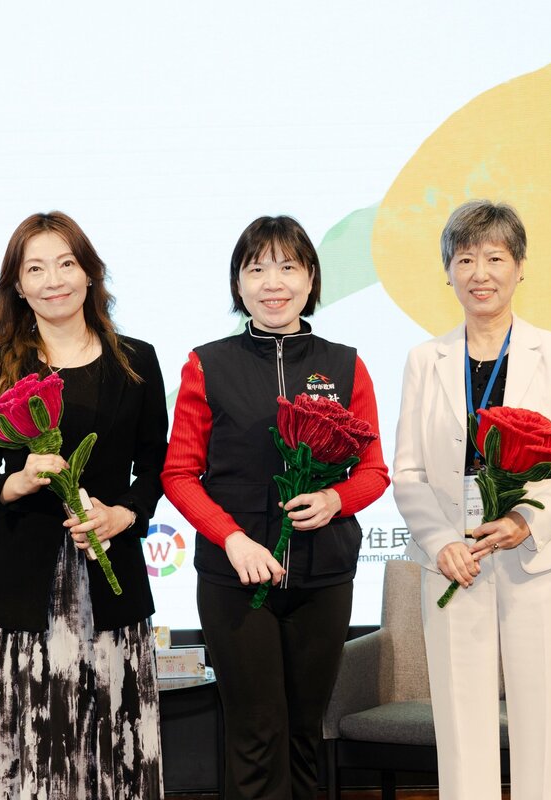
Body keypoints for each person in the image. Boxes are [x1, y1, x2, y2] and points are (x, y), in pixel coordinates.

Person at [162, 215, 389, 800]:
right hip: (235, 577)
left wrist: (337, 499)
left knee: (305, 733)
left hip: (325, 574)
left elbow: (374, 471)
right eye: (256, 268)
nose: (273, 282)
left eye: (288, 266)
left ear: (311, 278)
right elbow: (179, 474)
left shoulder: (346, 364)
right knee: (256, 731)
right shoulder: (206, 364)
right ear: (238, 285)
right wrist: (231, 538)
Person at [393, 200, 551, 800]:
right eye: (465, 259)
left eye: (495, 257)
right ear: (448, 271)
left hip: (540, 556)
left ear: (519, 267)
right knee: (461, 725)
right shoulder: (423, 359)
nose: (479, 273)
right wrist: (440, 543)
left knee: (547, 722)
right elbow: (407, 470)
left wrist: (522, 521)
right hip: (453, 557)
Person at [0, 211, 168, 799]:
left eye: (67, 263)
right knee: (21, 756)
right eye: (36, 268)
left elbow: (156, 467)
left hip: (109, 583)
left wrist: (124, 515)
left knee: (107, 754)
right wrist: (16, 482)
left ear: (90, 273)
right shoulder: (0, 367)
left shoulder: (136, 361)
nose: (55, 280)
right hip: (17, 591)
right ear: (18, 286)